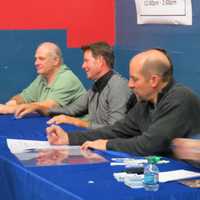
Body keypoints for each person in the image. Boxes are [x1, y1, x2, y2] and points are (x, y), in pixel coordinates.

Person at [46, 48, 200, 156]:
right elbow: (117, 130)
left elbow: (148, 144)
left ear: (154, 80)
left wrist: (107, 144)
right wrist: (69, 138)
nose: (130, 85)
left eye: (135, 79)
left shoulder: (180, 99)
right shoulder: (146, 101)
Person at [15, 42, 132, 128]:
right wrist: (38, 107)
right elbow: (71, 110)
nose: (83, 66)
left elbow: (116, 129)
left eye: (86, 61)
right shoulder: (96, 87)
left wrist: (77, 122)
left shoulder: (118, 86)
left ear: (100, 61)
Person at [0, 42, 86, 115]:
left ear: (56, 61)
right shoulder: (42, 77)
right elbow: (23, 97)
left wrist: (7, 109)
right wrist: (11, 104)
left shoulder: (67, 79)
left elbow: (48, 107)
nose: (36, 63)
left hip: (81, 129)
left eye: (41, 59)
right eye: (36, 59)